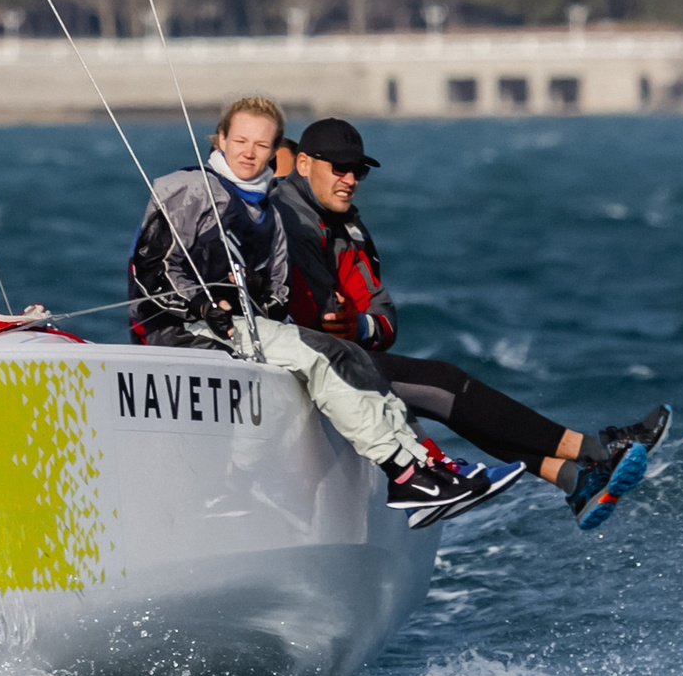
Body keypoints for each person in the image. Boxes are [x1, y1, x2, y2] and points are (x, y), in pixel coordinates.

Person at [125, 96, 520, 527]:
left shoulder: (267, 211)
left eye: (261, 144)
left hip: (238, 330)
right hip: (175, 328)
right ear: (220, 139)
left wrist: (254, 300)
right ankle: (404, 472)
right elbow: (151, 272)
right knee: (320, 355)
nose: (248, 152)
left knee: (343, 352)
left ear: (276, 152)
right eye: (239, 140)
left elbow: (273, 301)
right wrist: (202, 303)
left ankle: (425, 469)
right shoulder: (189, 189)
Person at [274, 115, 671, 530]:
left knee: (430, 394)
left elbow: (383, 318)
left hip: (340, 359)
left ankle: (575, 478)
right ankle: (593, 450)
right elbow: (305, 311)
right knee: (439, 382)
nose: (350, 179)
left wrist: (359, 327)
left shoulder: (346, 228)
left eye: (358, 171)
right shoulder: (283, 218)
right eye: (340, 168)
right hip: (300, 363)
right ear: (303, 165)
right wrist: (346, 327)